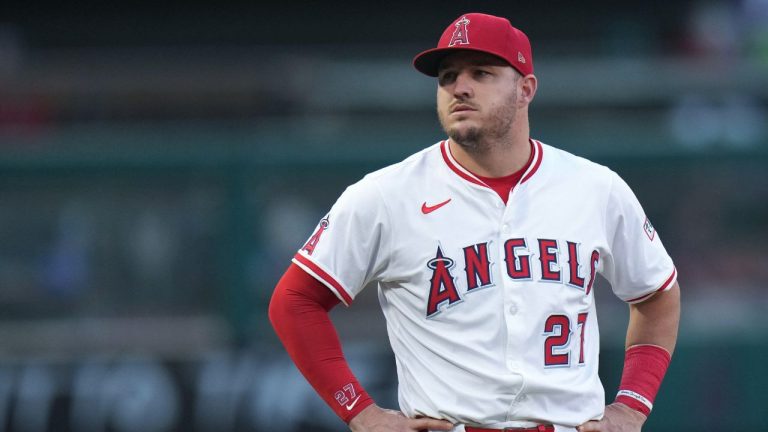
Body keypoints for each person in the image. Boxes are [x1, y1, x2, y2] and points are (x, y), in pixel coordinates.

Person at [269, 12, 680, 432]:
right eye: (447, 76)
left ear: (526, 89)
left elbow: (657, 293)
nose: (459, 87)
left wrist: (632, 405)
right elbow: (294, 302)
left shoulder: (596, 188)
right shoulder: (385, 195)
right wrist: (361, 413)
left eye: (480, 73)